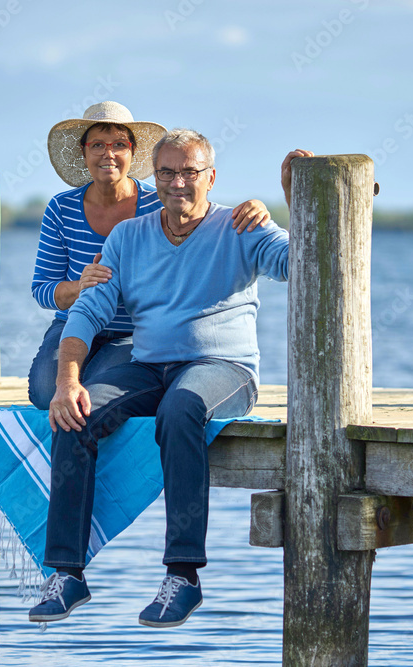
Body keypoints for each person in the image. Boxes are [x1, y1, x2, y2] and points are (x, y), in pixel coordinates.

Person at [28, 130, 309, 628]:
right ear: (153, 178)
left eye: (190, 172)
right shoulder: (129, 237)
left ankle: (183, 576)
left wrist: (296, 202)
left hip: (223, 369)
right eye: (167, 173)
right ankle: (66, 573)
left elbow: (300, 264)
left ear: (211, 176)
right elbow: (87, 315)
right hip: (150, 364)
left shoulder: (241, 226)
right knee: (75, 411)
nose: (179, 183)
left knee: (179, 408)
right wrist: (68, 381)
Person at [28, 101, 273, 409]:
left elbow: (201, 213)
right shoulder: (60, 209)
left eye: (119, 144)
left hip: (135, 329)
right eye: (98, 145)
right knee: (43, 393)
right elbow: (42, 290)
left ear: (132, 152)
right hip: (74, 321)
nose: (109, 154)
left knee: (91, 394)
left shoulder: (158, 202)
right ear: (83, 151)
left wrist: (255, 206)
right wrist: (81, 287)